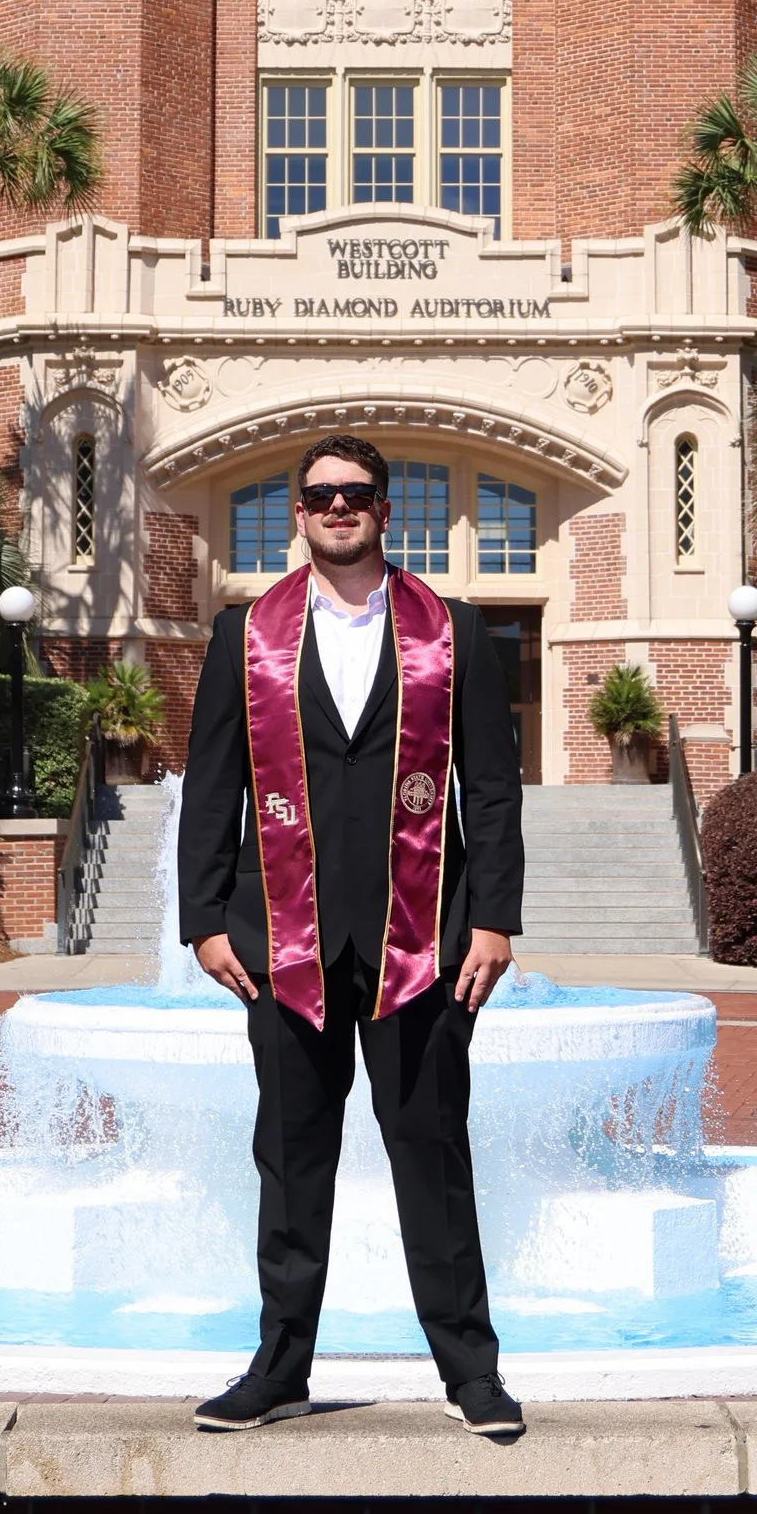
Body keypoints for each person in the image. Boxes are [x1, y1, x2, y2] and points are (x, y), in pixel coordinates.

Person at [176, 431, 526, 1442]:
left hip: (423, 944)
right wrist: (203, 918)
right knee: (291, 1164)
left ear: (384, 509)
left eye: (356, 493)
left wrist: (494, 917)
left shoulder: (450, 630)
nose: (338, 508)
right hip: (280, 941)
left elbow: (489, 789)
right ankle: (278, 1368)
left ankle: (472, 1372)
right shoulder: (245, 634)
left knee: (432, 1156)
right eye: (321, 494)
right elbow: (214, 784)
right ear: (298, 513)